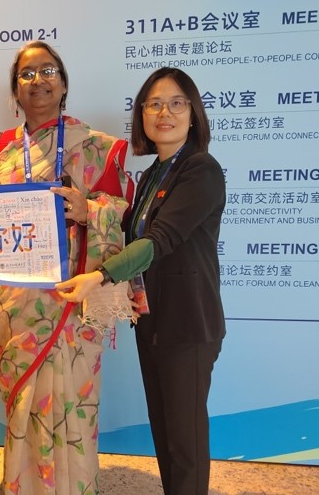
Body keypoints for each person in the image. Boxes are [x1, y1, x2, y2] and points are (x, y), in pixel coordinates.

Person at [0, 41, 132, 494]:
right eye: (26, 74)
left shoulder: (98, 148)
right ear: (15, 90)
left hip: (71, 305)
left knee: (72, 403)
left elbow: (125, 217)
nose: (38, 81)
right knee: (24, 402)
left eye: (48, 71)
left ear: (63, 83)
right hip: (16, 308)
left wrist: (88, 209)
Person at [56, 67, 226, 495]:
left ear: (194, 113)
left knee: (185, 438)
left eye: (176, 103)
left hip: (188, 323)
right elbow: (127, 229)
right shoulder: (152, 174)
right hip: (151, 319)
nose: (164, 113)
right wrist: (87, 211)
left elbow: (159, 240)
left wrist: (99, 276)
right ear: (142, 115)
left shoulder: (201, 169)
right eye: (154, 104)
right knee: (164, 429)